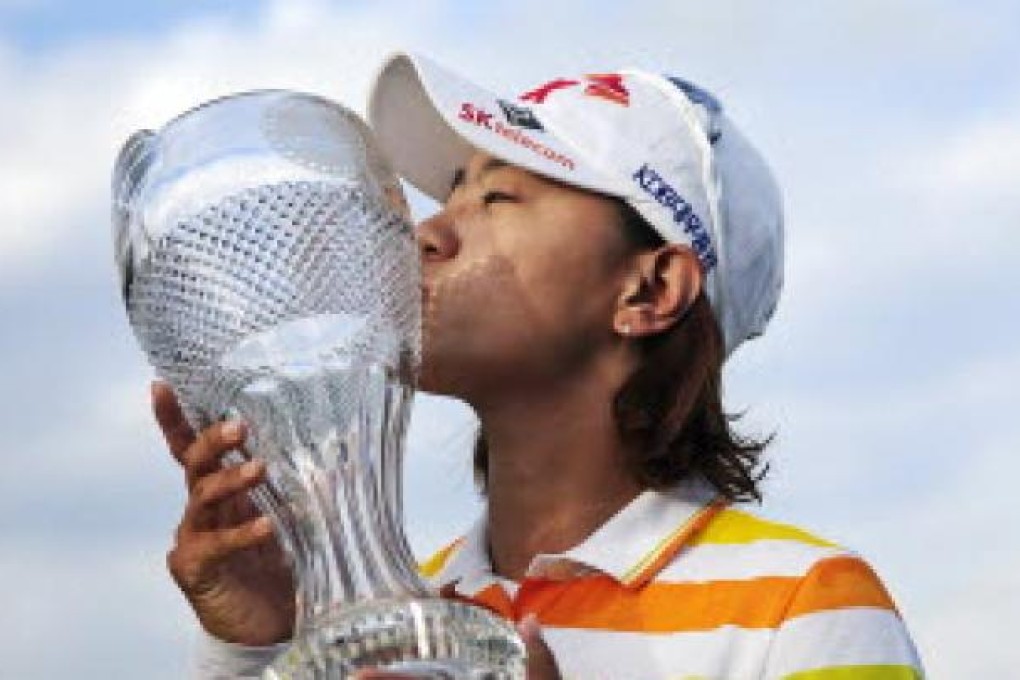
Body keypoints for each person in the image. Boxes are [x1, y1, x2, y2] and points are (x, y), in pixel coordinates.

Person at [153, 52, 925, 678]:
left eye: (499, 200)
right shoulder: (397, 621)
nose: (426, 235)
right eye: (452, 193)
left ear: (650, 289)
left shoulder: (806, 603)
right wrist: (253, 647)